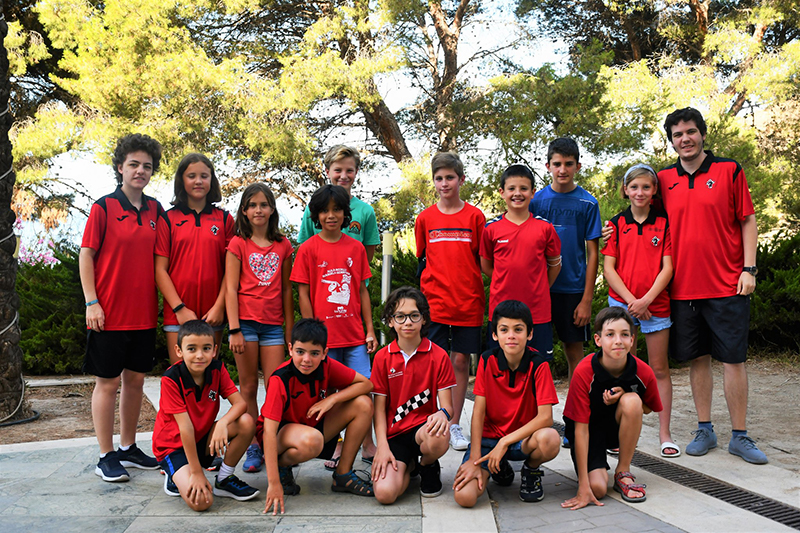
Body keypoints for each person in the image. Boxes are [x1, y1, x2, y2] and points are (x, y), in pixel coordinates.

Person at [656, 108, 764, 463]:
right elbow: (645, 219)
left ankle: (740, 436)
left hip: (728, 285)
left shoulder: (729, 170)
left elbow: (748, 220)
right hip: (682, 289)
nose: (685, 139)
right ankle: (705, 429)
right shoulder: (663, 179)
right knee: (697, 360)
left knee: (733, 360)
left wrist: (749, 269)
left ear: (702, 134)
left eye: (690, 131)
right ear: (672, 141)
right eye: (677, 134)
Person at [80, 133, 163, 482]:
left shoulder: (156, 210)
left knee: (135, 382)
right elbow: (86, 255)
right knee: (108, 383)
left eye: (147, 166)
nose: (140, 171)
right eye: (133, 164)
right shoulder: (103, 208)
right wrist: (92, 302)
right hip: (108, 314)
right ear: (120, 168)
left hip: (143, 314)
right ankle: (106, 455)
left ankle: (128, 447)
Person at [291, 184, 378, 466]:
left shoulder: (355, 247)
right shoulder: (308, 248)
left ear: (345, 214)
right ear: (316, 215)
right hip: (325, 340)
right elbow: (303, 293)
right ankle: (336, 444)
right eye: (325, 211)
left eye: (337, 209)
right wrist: (311, 333)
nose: (331, 215)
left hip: (354, 337)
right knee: (328, 393)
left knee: (365, 387)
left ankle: (367, 442)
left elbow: (362, 291)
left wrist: (370, 330)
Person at [258, 319, 375, 516]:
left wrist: (332, 399)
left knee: (364, 403)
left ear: (324, 353)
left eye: (314, 353)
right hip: (279, 436)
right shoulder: (280, 378)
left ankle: (343, 475)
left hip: (311, 426)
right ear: (290, 349)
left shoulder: (326, 365)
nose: (306, 359)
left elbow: (366, 384)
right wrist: (273, 483)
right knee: (313, 440)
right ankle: (281, 466)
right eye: (300, 352)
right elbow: (268, 432)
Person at [453, 300, 561, 507]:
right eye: (504, 330)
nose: (511, 335)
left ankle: (530, 470)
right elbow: (478, 413)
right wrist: (475, 457)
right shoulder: (487, 360)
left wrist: (504, 442)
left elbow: (546, 418)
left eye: (518, 329)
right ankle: (499, 466)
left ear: (529, 334)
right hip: (488, 441)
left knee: (550, 438)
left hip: (522, 441)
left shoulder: (538, 365)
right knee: (464, 497)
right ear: (495, 335)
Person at [601, 163, 677, 458]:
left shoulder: (665, 223)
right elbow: (609, 269)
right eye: (634, 187)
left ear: (654, 189)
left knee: (659, 369)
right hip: (623, 305)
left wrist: (646, 301)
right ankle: (618, 432)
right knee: (622, 368)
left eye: (646, 186)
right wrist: (633, 302)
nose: (640, 192)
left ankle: (665, 434)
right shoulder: (616, 224)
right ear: (625, 190)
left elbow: (667, 267)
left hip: (655, 304)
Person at [414, 151, 485, 452]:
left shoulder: (475, 217)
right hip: (435, 303)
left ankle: (454, 424)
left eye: (450, 178)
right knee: (435, 362)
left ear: (461, 179)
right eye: (439, 178)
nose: (444, 183)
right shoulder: (425, 218)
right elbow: (422, 260)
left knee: (460, 361)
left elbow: (481, 260)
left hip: (468, 302)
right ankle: (434, 420)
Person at [561, 307, 662, 509]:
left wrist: (625, 396)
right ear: (598, 340)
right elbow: (580, 429)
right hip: (587, 432)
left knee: (632, 401)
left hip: (614, 429)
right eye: (610, 335)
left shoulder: (643, 371)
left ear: (632, 340)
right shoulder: (584, 370)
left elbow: (647, 408)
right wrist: (583, 486)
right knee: (597, 489)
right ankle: (591, 472)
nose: (618, 341)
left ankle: (623, 472)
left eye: (624, 335)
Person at [152, 320, 259, 510]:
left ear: (214, 350)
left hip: (201, 439)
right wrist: (196, 473)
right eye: (191, 349)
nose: (199, 355)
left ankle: (224, 478)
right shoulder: (171, 379)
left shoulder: (217, 369)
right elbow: (185, 428)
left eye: (206, 348)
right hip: (173, 447)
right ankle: (175, 473)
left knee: (246, 421)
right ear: (179, 351)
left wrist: (222, 423)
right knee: (202, 502)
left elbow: (241, 404)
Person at [225, 183, 294, 473]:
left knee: (276, 387)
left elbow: (287, 290)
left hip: (273, 327)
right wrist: (234, 329)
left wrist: (290, 331)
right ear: (244, 210)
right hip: (245, 325)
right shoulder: (238, 244)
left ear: (272, 209)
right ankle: (253, 444)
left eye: (264, 204)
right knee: (249, 386)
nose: (258, 210)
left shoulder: (283, 245)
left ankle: (271, 441)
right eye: (252, 205)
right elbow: (230, 289)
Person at [371, 286, 456, 504]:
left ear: (424, 319)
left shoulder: (439, 356)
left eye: (414, 315)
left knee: (439, 436)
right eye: (400, 316)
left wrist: (442, 414)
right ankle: (409, 466)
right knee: (385, 494)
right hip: (394, 436)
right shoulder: (382, 357)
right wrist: (381, 447)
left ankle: (427, 464)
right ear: (391, 321)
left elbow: (448, 407)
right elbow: (378, 410)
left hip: (423, 431)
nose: (407, 322)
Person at [529, 138, 602, 386]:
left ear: (578, 166)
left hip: (573, 290)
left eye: (569, 164)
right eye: (557, 164)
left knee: (575, 353)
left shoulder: (588, 203)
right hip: (540, 289)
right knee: (536, 353)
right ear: (547, 166)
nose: (562, 170)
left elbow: (593, 253)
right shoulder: (535, 201)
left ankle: (576, 407)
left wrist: (586, 299)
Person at [155, 153, 234, 364]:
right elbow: (160, 270)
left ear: (211, 180)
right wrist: (179, 308)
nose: (198, 181)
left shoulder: (224, 219)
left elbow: (231, 270)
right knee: (181, 375)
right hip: (178, 316)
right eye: (191, 176)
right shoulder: (167, 219)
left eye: (204, 176)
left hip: (212, 315)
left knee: (208, 375)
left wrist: (219, 306)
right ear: (182, 180)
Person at [481, 164, 562, 360]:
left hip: (537, 312)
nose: (517, 193)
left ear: (533, 192)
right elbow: (486, 265)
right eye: (511, 188)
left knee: (538, 365)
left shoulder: (545, 227)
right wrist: (504, 279)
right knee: (500, 366)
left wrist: (541, 285)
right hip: (501, 311)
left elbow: (555, 265)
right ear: (502, 192)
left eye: (523, 188)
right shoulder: (491, 229)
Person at [297, 145, 380, 262]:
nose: (344, 176)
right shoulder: (313, 208)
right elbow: (304, 250)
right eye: (338, 170)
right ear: (328, 172)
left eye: (349, 170)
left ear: (356, 172)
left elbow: (366, 258)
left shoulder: (366, 211)